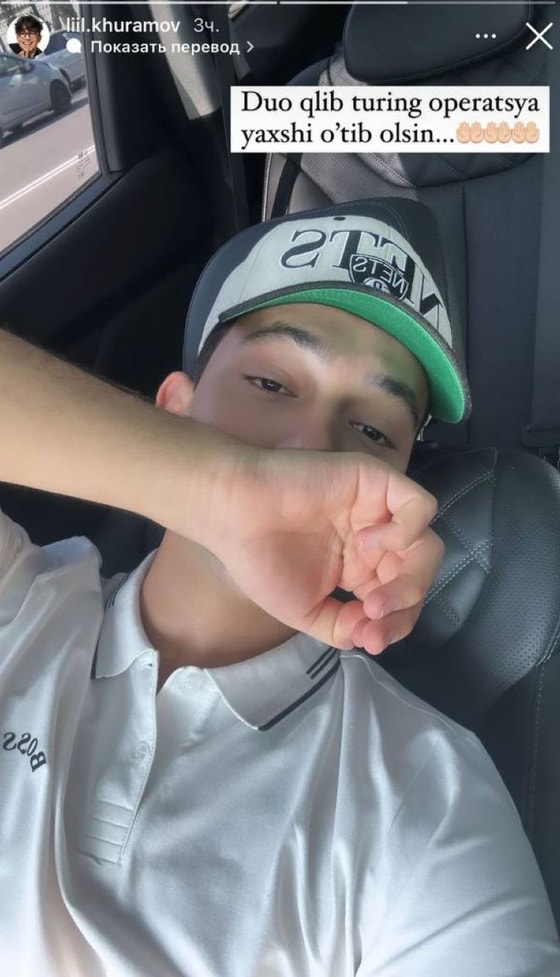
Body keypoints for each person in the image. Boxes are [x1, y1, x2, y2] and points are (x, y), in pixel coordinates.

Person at [0, 198, 558, 977]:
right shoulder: (21, 601)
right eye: (270, 381)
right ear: (172, 410)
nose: (311, 447)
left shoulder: (425, 798)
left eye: (372, 431)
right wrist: (217, 484)